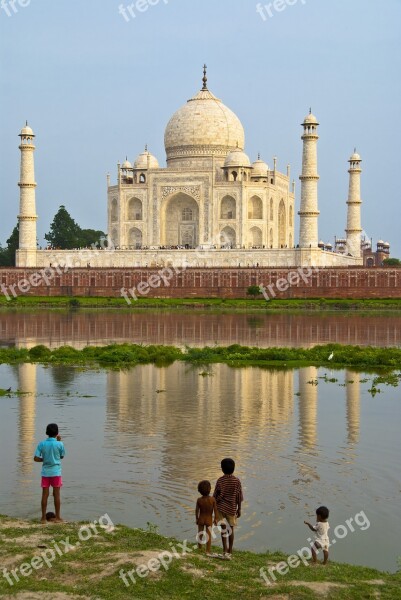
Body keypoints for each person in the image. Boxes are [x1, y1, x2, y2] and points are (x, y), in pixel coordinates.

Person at [34, 423, 65, 524]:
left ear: (47, 433)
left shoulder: (42, 444)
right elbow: (61, 456)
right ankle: (58, 518)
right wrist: (59, 441)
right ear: (57, 433)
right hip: (56, 472)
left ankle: (43, 518)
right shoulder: (59, 444)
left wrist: (44, 459)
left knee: (44, 495)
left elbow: (35, 458)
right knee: (56, 495)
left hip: (45, 473)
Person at [213, 458, 243, 560]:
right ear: (234, 469)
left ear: (222, 469)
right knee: (231, 529)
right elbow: (239, 496)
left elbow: (215, 495)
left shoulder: (220, 481)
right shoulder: (237, 481)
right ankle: (230, 549)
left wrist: (214, 508)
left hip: (220, 507)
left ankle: (224, 549)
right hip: (232, 508)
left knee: (223, 529)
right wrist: (239, 509)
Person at [195, 480, 218, 556]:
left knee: (200, 534)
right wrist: (216, 519)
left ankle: (199, 548)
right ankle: (207, 550)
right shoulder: (212, 500)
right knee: (208, 536)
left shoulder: (199, 500)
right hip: (209, 520)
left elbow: (197, 510)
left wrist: (197, 519)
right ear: (210, 489)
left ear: (199, 490)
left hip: (201, 519)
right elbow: (215, 510)